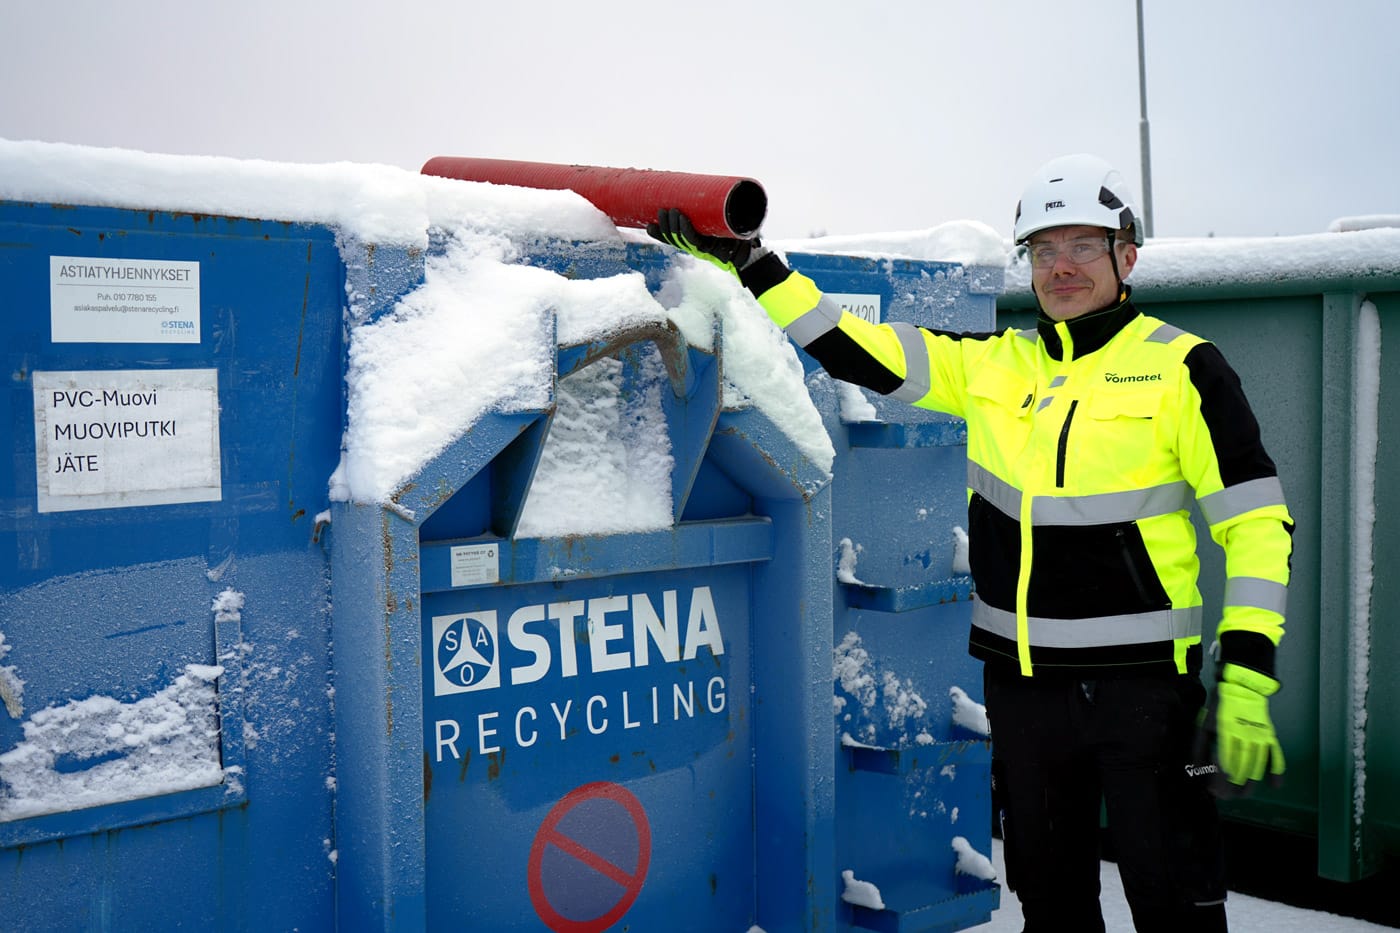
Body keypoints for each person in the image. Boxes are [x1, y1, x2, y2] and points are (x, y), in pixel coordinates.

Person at [648, 153, 1293, 933]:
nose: (1062, 268)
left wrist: (1250, 675)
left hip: (1145, 694)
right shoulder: (993, 363)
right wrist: (756, 266)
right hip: (1024, 694)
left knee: (1176, 900)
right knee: (1052, 904)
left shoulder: (1184, 368)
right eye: (1044, 250)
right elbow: (854, 347)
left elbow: (1256, 523)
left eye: (1084, 246)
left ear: (1128, 254)